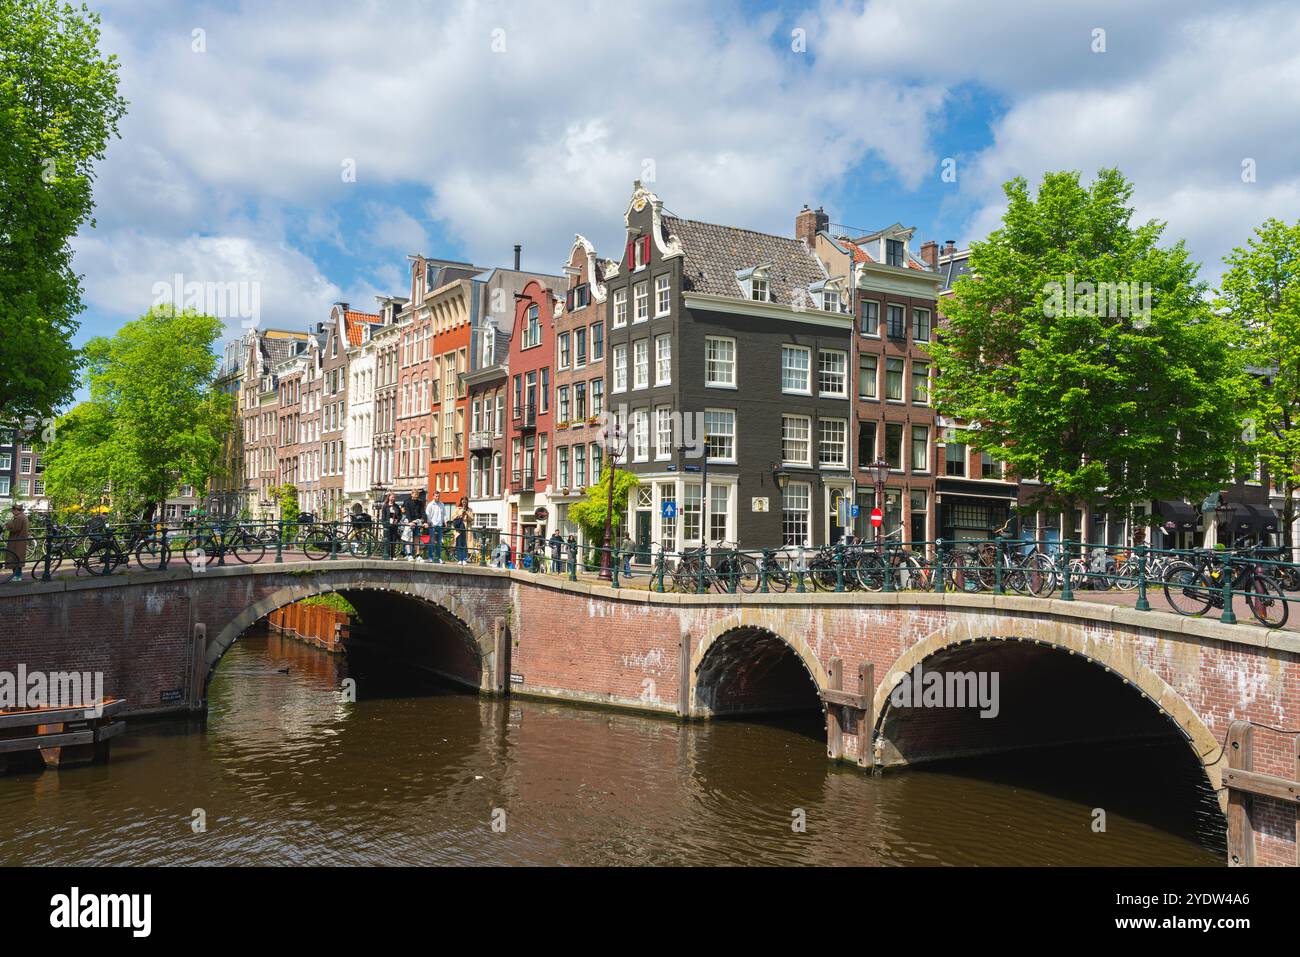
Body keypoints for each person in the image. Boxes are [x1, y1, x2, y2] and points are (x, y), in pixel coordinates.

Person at [4, 504, 29, 583]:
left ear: (15, 510)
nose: (12, 512)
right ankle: (17, 575)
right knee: (17, 559)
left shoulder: (19, 518)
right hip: (19, 541)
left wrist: (7, 524)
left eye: (12, 511)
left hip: (17, 542)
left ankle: (17, 576)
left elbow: (15, 528)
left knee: (15, 559)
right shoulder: (23, 516)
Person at [404, 488, 425, 560]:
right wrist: (410, 522)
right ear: (412, 494)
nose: (416, 496)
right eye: (415, 494)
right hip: (409, 521)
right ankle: (409, 554)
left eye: (417, 495)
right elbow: (407, 512)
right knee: (408, 538)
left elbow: (422, 512)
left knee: (417, 538)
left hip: (417, 521)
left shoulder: (420, 502)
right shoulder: (407, 502)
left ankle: (418, 555)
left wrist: (424, 521)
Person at [425, 491, 446, 562]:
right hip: (432, 525)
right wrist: (430, 523)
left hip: (439, 525)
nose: (437, 497)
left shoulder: (442, 504)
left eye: (438, 496)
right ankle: (430, 557)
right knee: (431, 542)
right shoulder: (430, 504)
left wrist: (445, 521)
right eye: (436, 496)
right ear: (433, 496)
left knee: (439, 542)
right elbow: (427, 514)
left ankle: (438, 557)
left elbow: (444, 514)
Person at [451, 498, 473, 563]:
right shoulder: (457, 509)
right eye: (463, 502)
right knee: (459, 543)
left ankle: (464, 559)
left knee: (465, 544)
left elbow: (472, 518)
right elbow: (453, 517)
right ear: (461, 502)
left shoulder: (470, 509)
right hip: (459, 528)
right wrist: (460, 514)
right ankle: (459, 559)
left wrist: (466, 513)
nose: (464, 503)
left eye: (465, 502)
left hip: (466, 529)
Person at [381, 493, 402, 559]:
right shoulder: (385, 506)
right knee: (387, 540)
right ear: (389, 497)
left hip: (394, 525)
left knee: (393, 540)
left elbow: (400, 515)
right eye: (392, 497)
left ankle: (393, 555)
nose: (393, 498)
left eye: (394, 497)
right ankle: (387, 554)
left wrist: (397, 520)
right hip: (387, 525)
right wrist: (384, 524)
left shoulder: (396, 506)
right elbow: (383, 516)